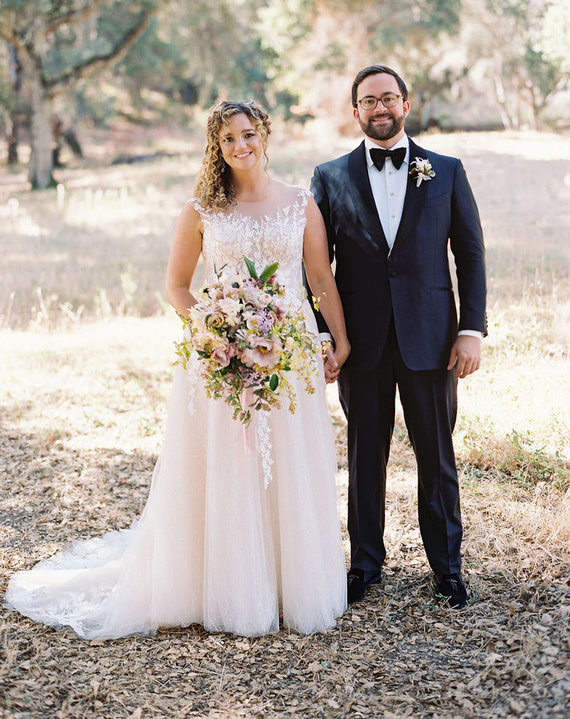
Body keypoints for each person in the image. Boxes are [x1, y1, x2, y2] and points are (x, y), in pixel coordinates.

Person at [4, 100, 350, 638]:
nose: (240, 146)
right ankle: (227, 587)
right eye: (227, 139)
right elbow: (176, 288)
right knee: (227, 465)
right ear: (216, 147)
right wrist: (218, 327)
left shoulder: (300, 204)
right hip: (219, 356)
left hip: (291, 351)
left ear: (265, 135)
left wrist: (339, 338)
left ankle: (289, 583)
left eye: (247, 134)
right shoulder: (200, 211)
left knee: (289, 457)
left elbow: (320, 279)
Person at [311, 65, 486, 609]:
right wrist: (322, 335)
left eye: (389, 98)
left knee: (436, 455)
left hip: (431, 338)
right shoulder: (329, 176)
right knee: (366, 454)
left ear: (405, 105)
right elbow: (313, 266)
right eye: (369, 100)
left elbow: (470, 254)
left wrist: (470, 329)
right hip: (358, 342)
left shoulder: (447, 170)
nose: (379, 108)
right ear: (355, 110)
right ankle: (364, 565)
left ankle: (448, 569)